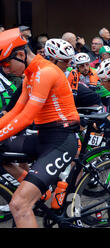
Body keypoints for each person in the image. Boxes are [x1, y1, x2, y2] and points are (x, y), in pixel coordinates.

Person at [0, 28, 79, 228]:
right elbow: (14, 112)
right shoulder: (30, 74)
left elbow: (26, 118)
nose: (5, 71)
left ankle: (34, 194)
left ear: (20, 54)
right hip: (44, 137)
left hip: (62, 141)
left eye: (6, 64)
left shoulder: (45, 72)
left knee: (18, 205)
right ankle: (41, 191)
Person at [46, 40, 102, 108]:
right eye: (66, 61)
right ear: (52, 59)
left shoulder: (71, 73)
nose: (68, 64)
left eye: (70, 61)